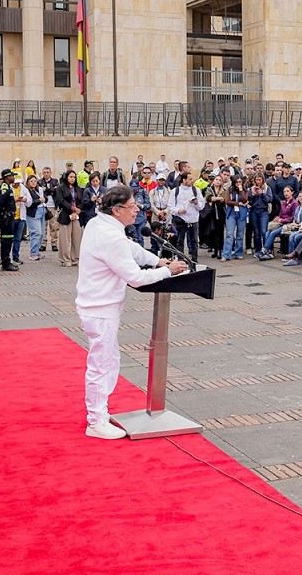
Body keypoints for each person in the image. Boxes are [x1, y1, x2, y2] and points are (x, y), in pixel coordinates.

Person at [77, 186, 189, 440]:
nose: (137, 209)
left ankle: (99, 411)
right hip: (100, 307)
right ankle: (95, 420)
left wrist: (157, 261)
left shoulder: (100, 224)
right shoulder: (110, 235)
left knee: (110, 361)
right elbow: (136, 278)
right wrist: (167, 271)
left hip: (98, 305)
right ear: (116, 211)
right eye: (132, 206)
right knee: (101, 364)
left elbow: (132, 250)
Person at [0, 169, 21, 272]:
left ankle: (5, 260)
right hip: (6, 218)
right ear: (7, 177)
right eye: (12, 176)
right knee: (7, 240)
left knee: (8, 240)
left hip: (8, 217)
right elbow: (1, 203)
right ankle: (6, 262)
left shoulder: (7, 187)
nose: (13, 178)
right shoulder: (5, 188)